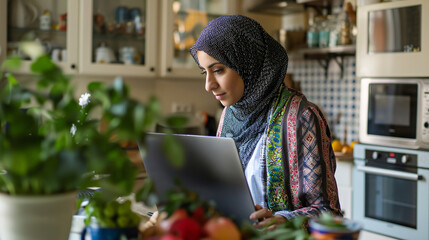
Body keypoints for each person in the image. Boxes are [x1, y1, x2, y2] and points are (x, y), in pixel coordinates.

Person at [190, 15, 342, 229]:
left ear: (247, 62)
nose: (208, 85)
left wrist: (285, 220)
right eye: (204, 72)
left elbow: (329, 212)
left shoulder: (302, 117)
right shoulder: (229, 116)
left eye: (218, 70)